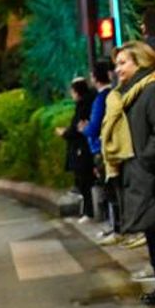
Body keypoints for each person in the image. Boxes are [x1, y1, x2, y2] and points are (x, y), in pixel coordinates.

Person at [103, 40, 155, 304]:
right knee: (152, 231)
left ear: (140, 61)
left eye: (123, 62)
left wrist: (147, 159)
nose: (118, 69)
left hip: (152, 172)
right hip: (137, 171)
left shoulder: (151, 88)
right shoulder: (126, 94)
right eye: (116, 64)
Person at [83, 60, 120, 242]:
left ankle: (116, 228)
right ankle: (115, 226)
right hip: (107, 147)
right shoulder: (112, 95)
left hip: (102, 148)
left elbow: (95, 126)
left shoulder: (101, 99)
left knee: (110, 190)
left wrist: (85, 128)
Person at [62, 77, 96, 219]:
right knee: (84, 181)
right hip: (83, 147)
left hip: (82, 149)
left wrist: (65, 133)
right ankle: (87, 211)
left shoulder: (84, 106)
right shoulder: (88, 103)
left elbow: (78, 128)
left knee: (84, 180)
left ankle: (89, 211)